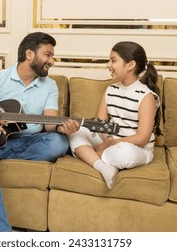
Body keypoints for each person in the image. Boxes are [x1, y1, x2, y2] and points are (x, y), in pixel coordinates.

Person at [0, 32, 78, 231]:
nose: (52, 61)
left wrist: (62, 126)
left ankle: (6, 157)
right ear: (29, 54)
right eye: (48, 55)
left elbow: (49, 123)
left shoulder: (50, 86)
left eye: (52, 56)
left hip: (30, 141)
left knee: (60, 142)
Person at [67, 41, 162, 189]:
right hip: (110, 142)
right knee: (76, 131)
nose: (108, 65)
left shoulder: (146, 96)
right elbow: (100, 123)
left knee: (125, 153)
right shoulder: (110, 89)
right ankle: (104, 167)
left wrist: (109, 145)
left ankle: (90, 156)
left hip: (137, 148)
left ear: (130, 65)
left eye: (113, 60)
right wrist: (106, 138)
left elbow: (142, 138)